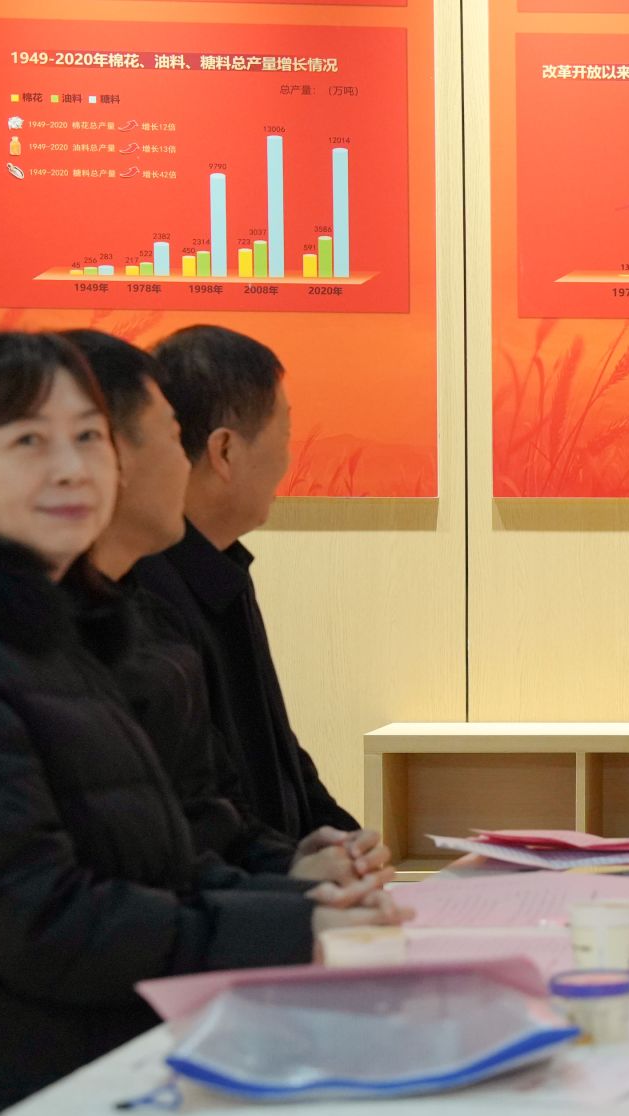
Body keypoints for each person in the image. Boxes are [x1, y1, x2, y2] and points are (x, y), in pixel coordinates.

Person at [0, 332, 398, 1113]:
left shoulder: (76, 641)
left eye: (89, 438)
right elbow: (41, 919)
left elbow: (175, 858)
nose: (74, 468)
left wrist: (301, 902)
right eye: (29, 443)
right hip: (60, 1099)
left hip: (141, 1061)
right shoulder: (64, 642)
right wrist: (290, 921)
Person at [64, 329, 388, 883]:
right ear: (226, 451)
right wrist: (290, 886)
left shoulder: (219, 570)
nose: (180, 462)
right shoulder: (137, 604)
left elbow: (269, 760)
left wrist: (335, 845)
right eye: (171, 439)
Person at [130, 325, 361, 843]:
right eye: (285, 437)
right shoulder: (146, 595)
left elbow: (278, 752)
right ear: (226, 451)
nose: (287, 459)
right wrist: (295, 868)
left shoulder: (222, 565)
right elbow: (206, 804)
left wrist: (348, 842)